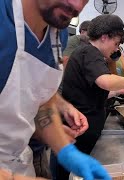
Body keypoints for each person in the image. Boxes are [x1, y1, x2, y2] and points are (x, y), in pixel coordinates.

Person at [0, 0, 111, 179]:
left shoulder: (57, 33)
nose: (77, 6)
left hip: (21, 161)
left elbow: (40, 102)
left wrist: (66, 151)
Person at [51, 14, 124, 180]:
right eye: (116, 43)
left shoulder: (88, 53)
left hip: (82, 131)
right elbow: (105, 81)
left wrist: (120, 91)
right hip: (78, 131)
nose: (116, 49)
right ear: (104, 37)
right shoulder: (90, 52)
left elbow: (91, 91)